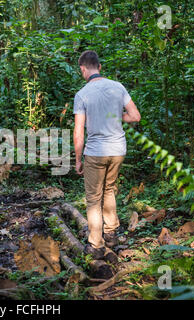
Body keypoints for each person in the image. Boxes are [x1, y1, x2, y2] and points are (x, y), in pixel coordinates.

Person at [73, 50, 141, 260]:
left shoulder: (82, 94)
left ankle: (96, 244)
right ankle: (111, 233)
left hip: (95, 152)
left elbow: (79, 132)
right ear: (100, 67)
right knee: (110, 189)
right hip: (118, 150)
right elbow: (135, 116)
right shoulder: (118, 87)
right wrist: (116, 117)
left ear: (83, 69)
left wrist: (77, 159)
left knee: (93, 198)